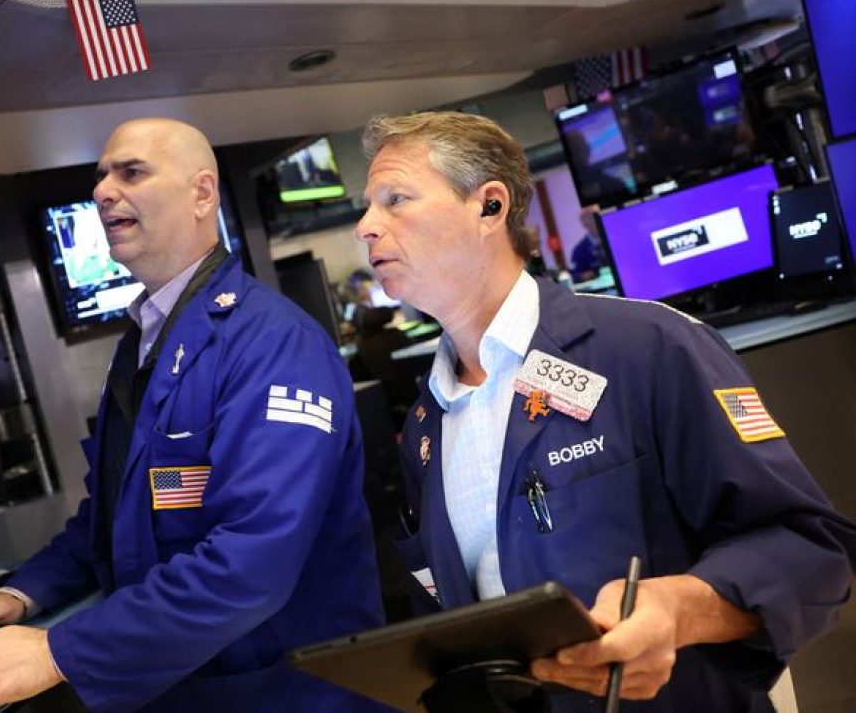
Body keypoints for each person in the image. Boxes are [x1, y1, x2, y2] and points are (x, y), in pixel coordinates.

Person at [354, 110, 856, 711]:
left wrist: (679, 611)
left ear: (489, 206)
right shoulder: (425, 424)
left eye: (395, 199)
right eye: (368, 207)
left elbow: (811, 551)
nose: (366, 226)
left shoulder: (648, 349)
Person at [0, 118, 388, 713]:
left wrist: (58, 652)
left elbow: (251, 562)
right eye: (101, 177)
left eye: (131, 173)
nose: (102, 191)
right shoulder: (144, 344)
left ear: (202, 194)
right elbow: (113, 517)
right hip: (182, 689)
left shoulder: (274, 345)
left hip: (284, 693)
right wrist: (25, 593)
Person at [570, 205, 606, 282]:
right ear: (584, 224)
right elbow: (575, 275)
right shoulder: (579, 250)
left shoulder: (616, 238)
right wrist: (583, 276)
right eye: (591, 219)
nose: (596, 221)